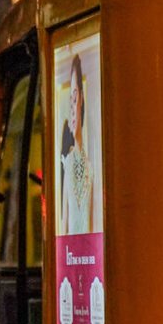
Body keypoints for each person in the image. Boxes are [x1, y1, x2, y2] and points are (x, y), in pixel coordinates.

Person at [58, 54, 94, 235]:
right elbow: (64, 224)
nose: (72, 110)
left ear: (81, 98)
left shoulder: (91, 165)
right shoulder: (68, 162)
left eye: (74, 100)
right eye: (69, 103)